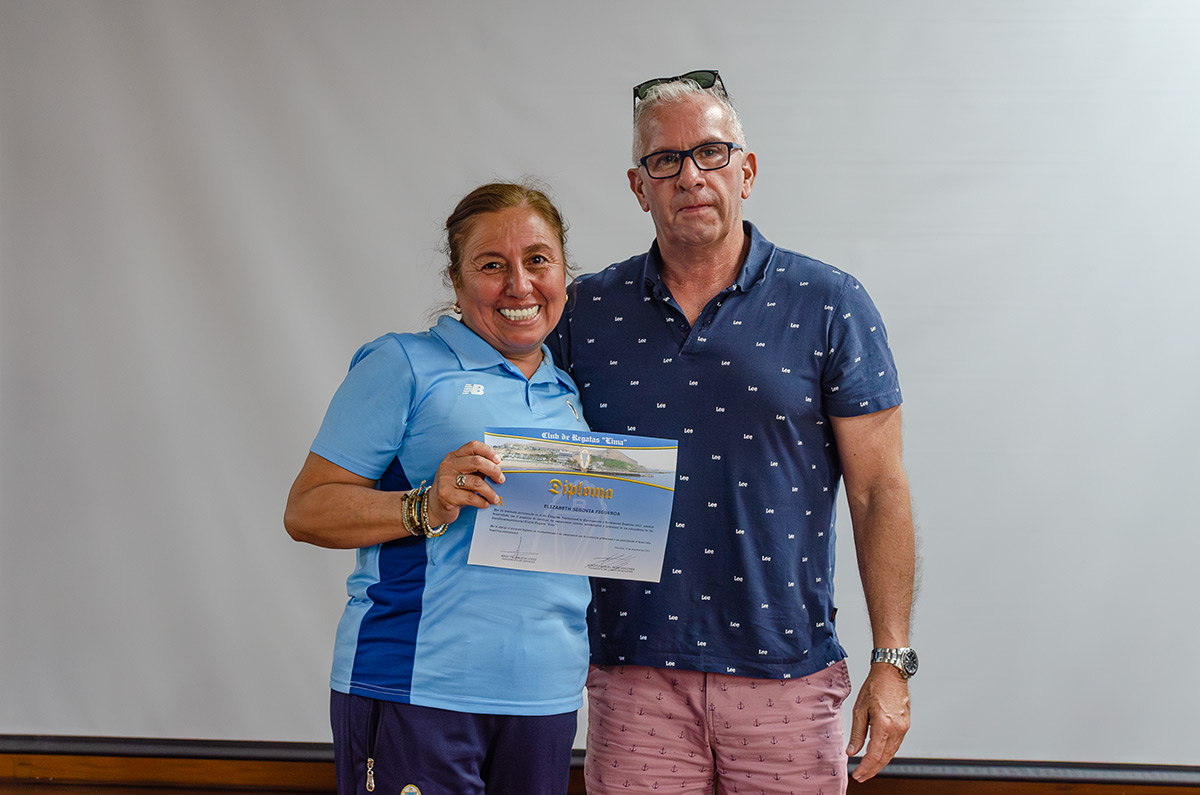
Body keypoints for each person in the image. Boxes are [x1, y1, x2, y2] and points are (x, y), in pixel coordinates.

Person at [551, 70, 916, 794]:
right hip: (632, 678)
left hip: (788, 677)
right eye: (666, 159)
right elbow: (538, 468)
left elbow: (879, 490)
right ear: (639, 186)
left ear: (745, 170)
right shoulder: (582, 311)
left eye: (710, 152)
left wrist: (893, 660)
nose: (690, 175)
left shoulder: (830, 303)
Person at [285, 181, 591, 795]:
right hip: (417, 687)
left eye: (538, 260)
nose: (519, 285)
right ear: (455, 280)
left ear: (563, 272)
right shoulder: (403, 364)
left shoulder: (567, 392)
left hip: (545, 696)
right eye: (491, 265)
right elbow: (307, 510)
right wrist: (426, 504)